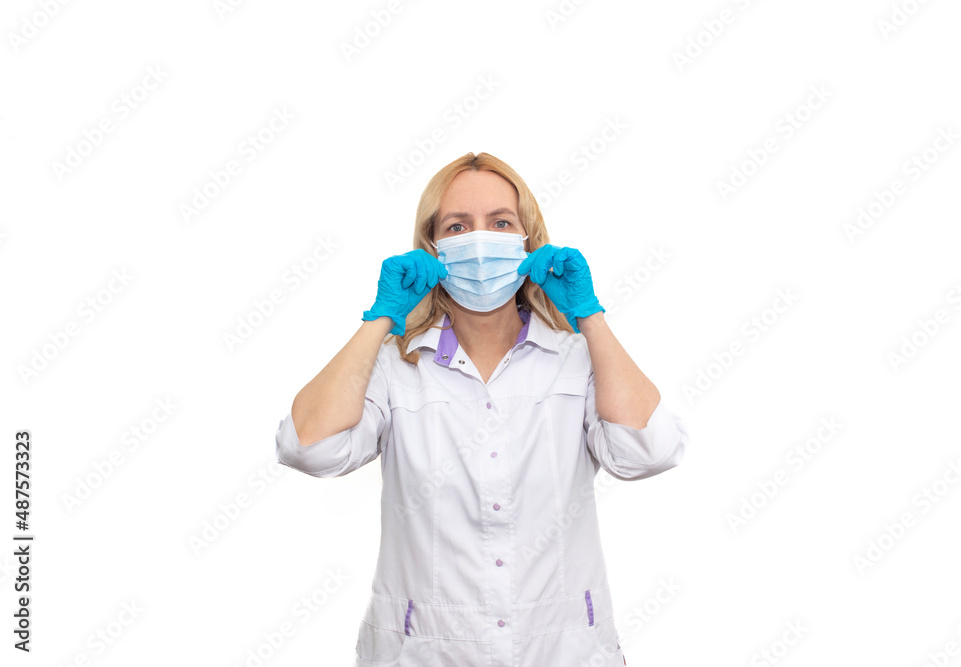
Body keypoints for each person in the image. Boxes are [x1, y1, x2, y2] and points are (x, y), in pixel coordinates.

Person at [274, 152, 688, 666]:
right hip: (425, 651)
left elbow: (649, 451)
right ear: (432, 248)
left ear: (528, 240)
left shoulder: (576, 359)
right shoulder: (394, 366)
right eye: (457, 225)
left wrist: (589, 317)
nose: (479, 240)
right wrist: (380, 319)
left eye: (499, 223)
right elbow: (307, 446)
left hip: (561, 651)